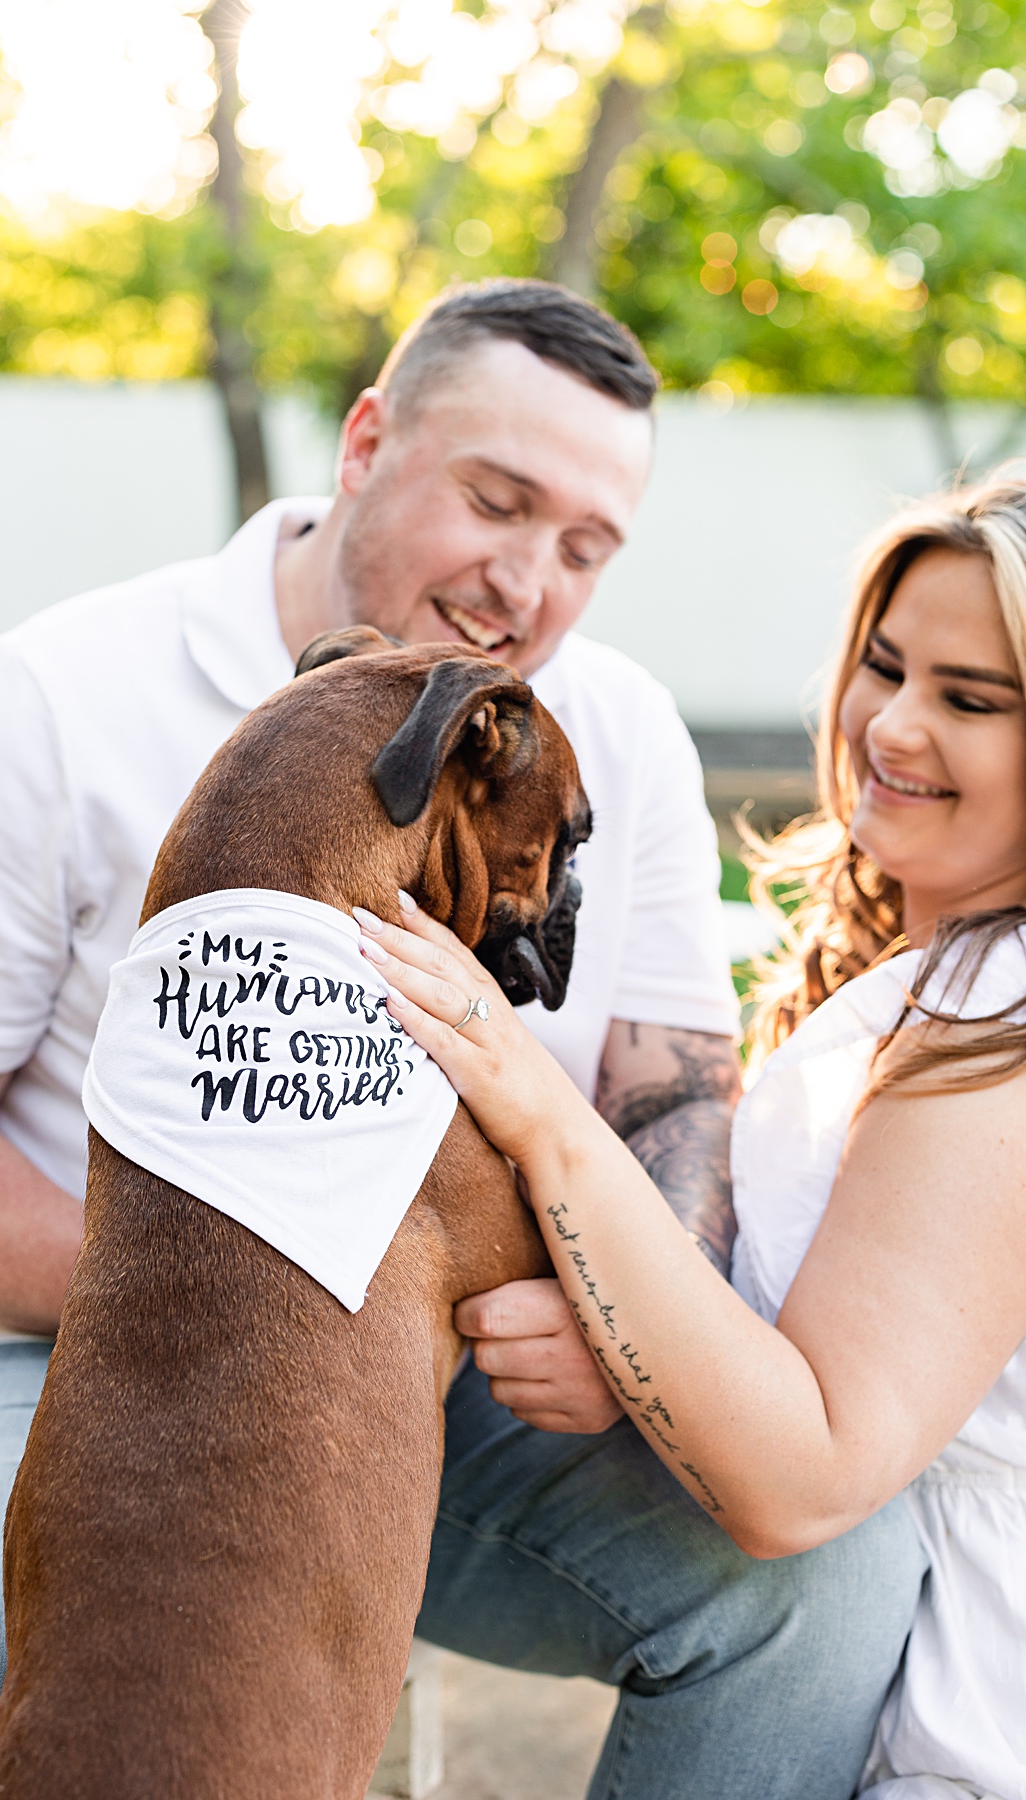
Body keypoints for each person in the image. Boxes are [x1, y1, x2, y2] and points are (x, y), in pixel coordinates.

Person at [0, 280, 921, 1799]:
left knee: (825, 1594)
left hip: (462, 1392)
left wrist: (625, 1323)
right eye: (497, 501)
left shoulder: (610, 728)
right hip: (70, 1364)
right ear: (362, 444)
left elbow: (677, 1091)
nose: (528, 582)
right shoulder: (45, 705)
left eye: (586, 548)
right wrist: (236, 1295)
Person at [359, 469, 1026, 1799]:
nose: (892, 726)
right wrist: (624, 1327)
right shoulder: (935, 963)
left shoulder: (999, 1019)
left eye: (972, 700)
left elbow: (809, 1468)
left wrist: (533, 1099)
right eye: (884, 667)